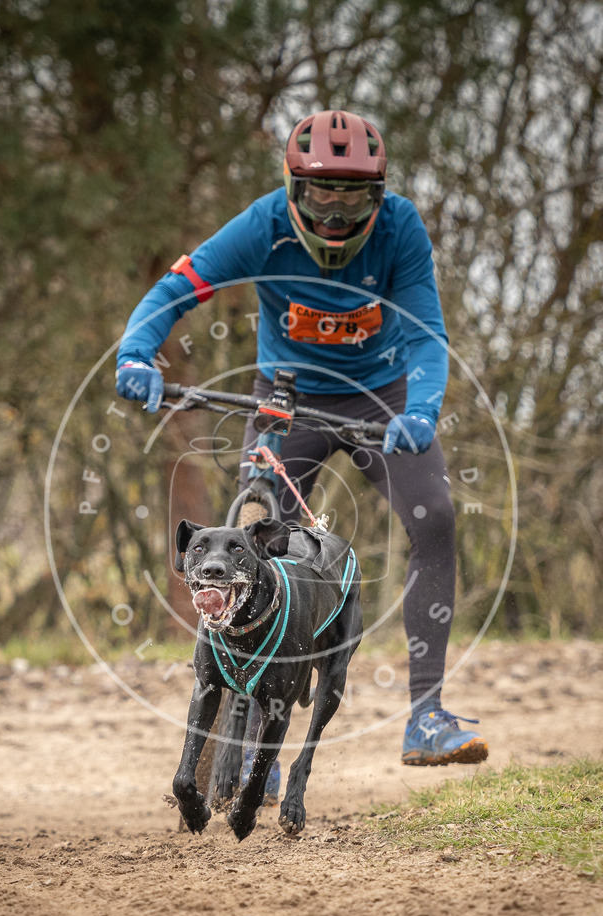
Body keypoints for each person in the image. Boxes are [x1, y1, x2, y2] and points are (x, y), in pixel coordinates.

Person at [115, 109, 488, 769]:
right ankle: (239, 713)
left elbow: (428, 335)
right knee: (261, 542)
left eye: (353, 193)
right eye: (322, 192)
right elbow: (178, 289)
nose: (337, 211)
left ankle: (426, 717)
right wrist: (138, 353)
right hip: (287, 399)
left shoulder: (400, 227)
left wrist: (423, 408)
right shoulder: (262, 226)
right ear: (293, 187)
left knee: (435, 521)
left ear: (378, 194)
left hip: (386, 399)